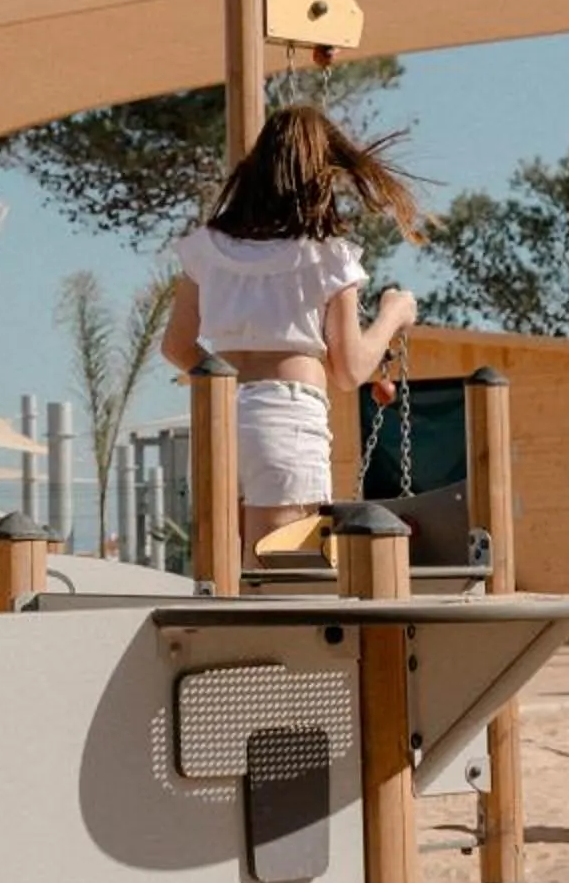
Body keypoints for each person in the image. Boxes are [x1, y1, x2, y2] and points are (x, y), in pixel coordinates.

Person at [161, 103, 422, 559]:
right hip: (285, 418)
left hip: (217, 416)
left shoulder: (206, 248)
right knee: (282, 575)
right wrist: (393, 313)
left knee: (218, 577)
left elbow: (177, 346)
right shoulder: (328, 256)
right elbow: (349, 369)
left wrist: (225, 379)